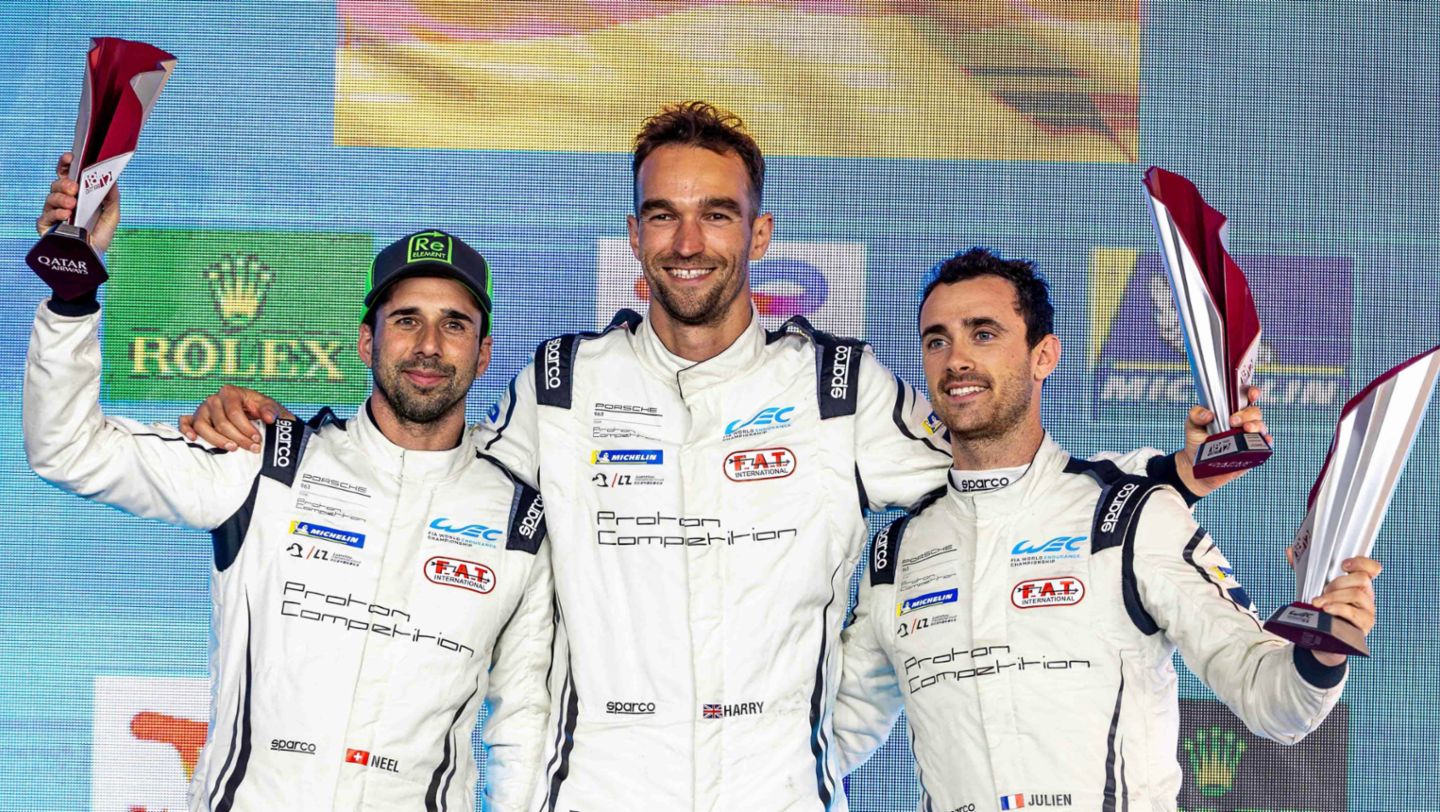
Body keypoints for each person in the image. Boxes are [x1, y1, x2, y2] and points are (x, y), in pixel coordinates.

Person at [182, 103, 1264, 811]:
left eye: (715, 213)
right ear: (635, 231)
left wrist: (1160, 476)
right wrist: (290, 431)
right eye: (663, 214)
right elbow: (422, 456)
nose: (688, 239)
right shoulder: (563, 383)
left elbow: (1001, 468)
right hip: (601, 785)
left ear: (759, 230)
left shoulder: (839, 389)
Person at [26, 154, 553, 811]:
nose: (427, 345)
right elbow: (67, 449)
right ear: (366, 341)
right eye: (406, 319)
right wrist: (73, 291)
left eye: (454, 324)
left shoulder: (518, 522)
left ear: (484, 352)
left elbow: (524, 726)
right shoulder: (266, 460)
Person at [832, 247, 1380, 811]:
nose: (957, 359)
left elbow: (1275, 701)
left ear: (1043, 355)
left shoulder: (1130, 514)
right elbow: (832, 737)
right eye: (937, 340)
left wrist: (1323, 646)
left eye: (984, 333)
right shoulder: (896, 554)